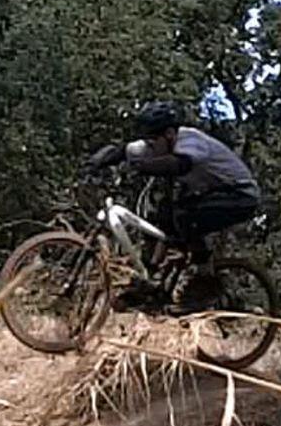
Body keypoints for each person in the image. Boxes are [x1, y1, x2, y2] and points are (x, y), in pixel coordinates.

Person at [83, 101, 261, 311]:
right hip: (213, 193)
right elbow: (122, 151)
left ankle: (205, 284)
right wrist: (95, 163)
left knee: (187, 217)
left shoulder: (191, 140)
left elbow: (179, 164)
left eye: (153, 141)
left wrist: (142, 167)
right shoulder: (157, 142)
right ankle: (152, 281)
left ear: (169, 134)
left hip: (240, 195)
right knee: (163, 218)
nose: (149, 146)